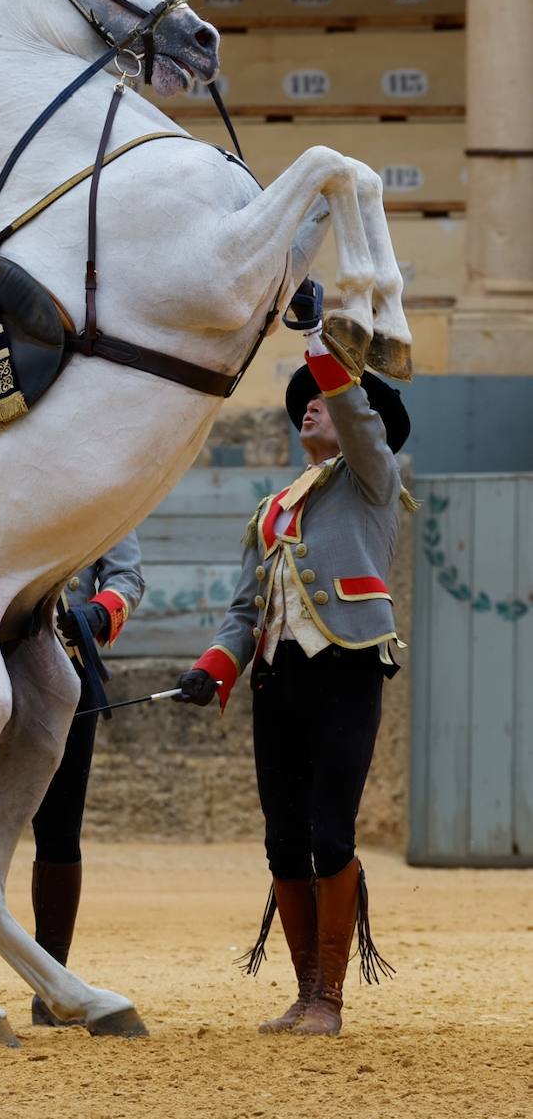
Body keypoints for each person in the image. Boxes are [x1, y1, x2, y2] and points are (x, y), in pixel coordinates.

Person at [175, 309, 413, 1037]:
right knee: (283, 839)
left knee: (330, 833)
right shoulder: (271, 509)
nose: (311, 401)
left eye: (324, 395)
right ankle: (305, 989)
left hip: (345, 667)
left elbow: (349, 402)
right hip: (277, 680)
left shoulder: (374, 477)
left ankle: (330, 1002)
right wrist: (213, 666)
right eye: (305, 395)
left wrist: (319, 345)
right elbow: (245, 608)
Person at [0, 532, 145, 1027]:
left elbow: (127, 578)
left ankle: (53, 982)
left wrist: (97, 614)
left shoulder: (107, 480)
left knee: (60, 828)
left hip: (67, 664)